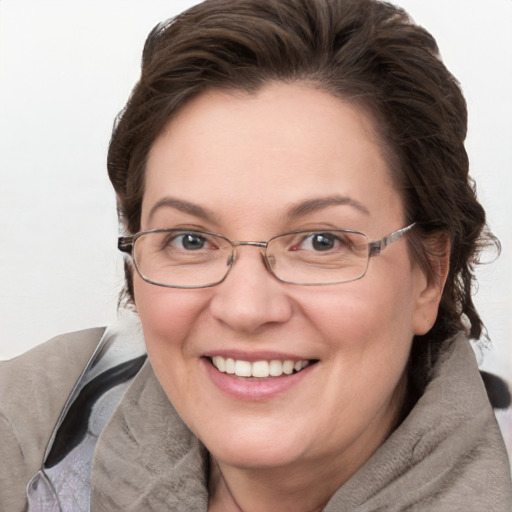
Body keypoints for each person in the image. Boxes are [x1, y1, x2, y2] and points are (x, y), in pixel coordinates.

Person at [1, 0, 511, 510]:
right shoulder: (29, 430)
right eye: (190, 239)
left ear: (430, 275)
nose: (245, 309)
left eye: (321, 241)